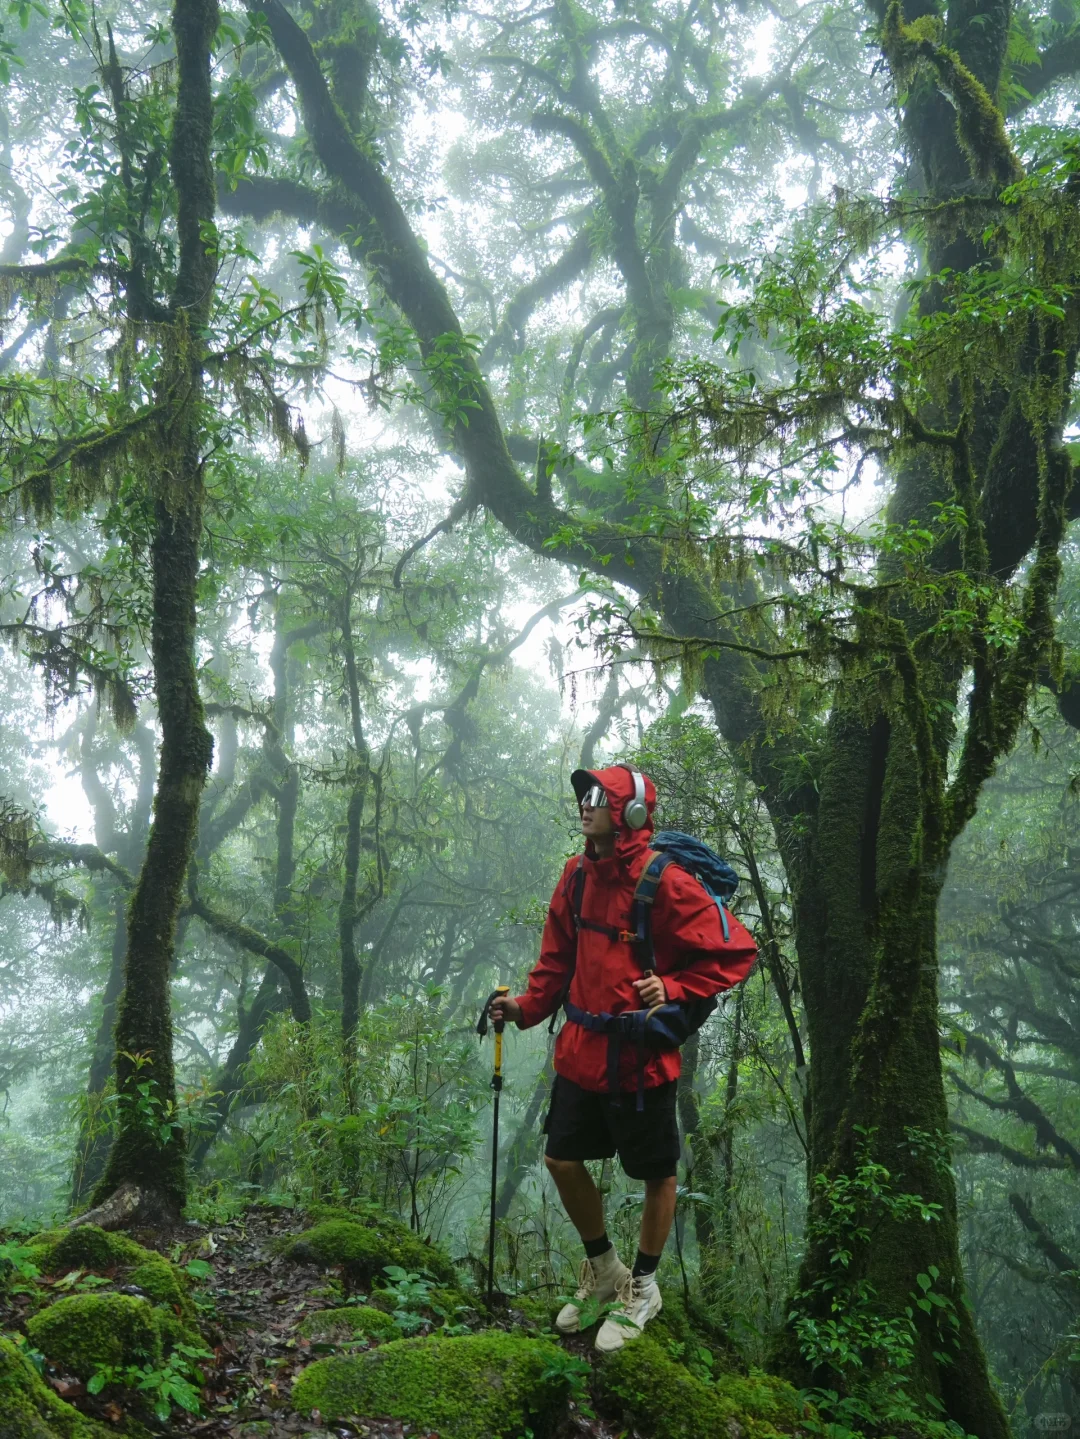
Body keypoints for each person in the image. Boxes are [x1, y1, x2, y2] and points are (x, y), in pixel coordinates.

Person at [489, 764, 757, 1351]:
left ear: (631, 812)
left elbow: (737, 950)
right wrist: (523, 1010)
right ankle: (605, 1272)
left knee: (657, 1173)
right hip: (581, 1053)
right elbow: (554, 965)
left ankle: (645, 1287)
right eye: (584, 796)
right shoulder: (575, 878)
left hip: (641, 1060)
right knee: (561, 1159)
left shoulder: (665, 882)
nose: (585, 805)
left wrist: (676, 988)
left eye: (598, 797)